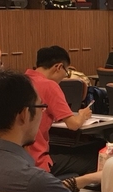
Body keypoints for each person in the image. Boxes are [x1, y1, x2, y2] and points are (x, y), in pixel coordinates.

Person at [25, 46, 97, 175]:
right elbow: (73, 124)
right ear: (58, 67)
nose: (65, 76)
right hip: (38, 162)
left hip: (20, 158)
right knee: (94, 157)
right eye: (66, 71)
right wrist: (83, 115)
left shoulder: (22, 80)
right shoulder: (49, 85)